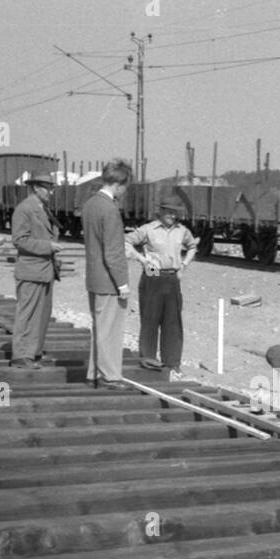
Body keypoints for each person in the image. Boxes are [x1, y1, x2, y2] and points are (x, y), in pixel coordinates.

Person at [126, 195, 196, 376]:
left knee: (173, 322)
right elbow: (126, 242)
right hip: (152, 273)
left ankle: (172, 363)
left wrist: (184, 265)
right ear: (161, 211)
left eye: (175, 213)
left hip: (172, 275)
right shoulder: (148, 229)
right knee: (150, 319)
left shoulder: (182, 231)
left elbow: (192, 246)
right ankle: (148, 359)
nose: (172, 216)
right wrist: (142, 259)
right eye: (169, 212)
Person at [81, 159, 134, 389]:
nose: (124, 191)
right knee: (110, 331)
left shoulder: (90, 204)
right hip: (109, 281)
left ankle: (94, 374)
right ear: (119, 184)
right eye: (125, 187)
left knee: (99, 329)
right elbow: (113, 253)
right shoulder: (110, 209)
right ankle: (110, 376)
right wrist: (122, 284)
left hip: (94, 278)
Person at [10, 172, 66, 369]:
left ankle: (34, 352)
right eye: (46, 187)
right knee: (28, 313)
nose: (50, 191)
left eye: (51, 187)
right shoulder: (25, 209)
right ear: (35, 187)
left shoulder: (42, 208)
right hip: (31, 270)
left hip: (45, 270)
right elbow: (19, 240)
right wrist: (48, 246)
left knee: (42, 314)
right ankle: (21, 355)